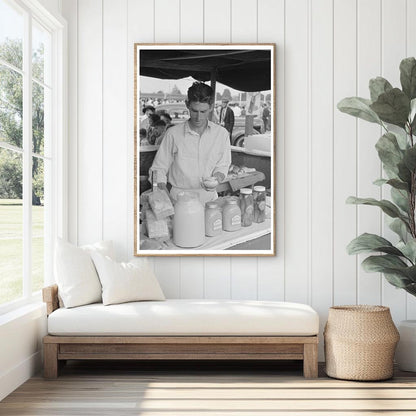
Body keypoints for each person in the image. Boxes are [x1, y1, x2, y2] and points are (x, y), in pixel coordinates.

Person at [149, 82, 231, 204]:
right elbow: (158, 169)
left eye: (203, 112)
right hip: (178, 200)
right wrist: (163, 191)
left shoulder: (221, 134)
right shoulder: (173, 134)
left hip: (209, 200)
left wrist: (216, 179)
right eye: (194, 111)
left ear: (211, 107)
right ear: (187, 105)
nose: (198, 117)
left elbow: (223, 164)